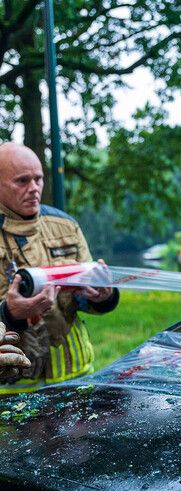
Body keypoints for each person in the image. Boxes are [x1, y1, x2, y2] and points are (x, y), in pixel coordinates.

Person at [0, 142, 119, 394]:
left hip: (76, 377)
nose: (34, 189)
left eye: (38, 179)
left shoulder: (65, 226)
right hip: (12, 389)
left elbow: (89, 296)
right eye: (22, 181)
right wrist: (10, 314)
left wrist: (103, 297)